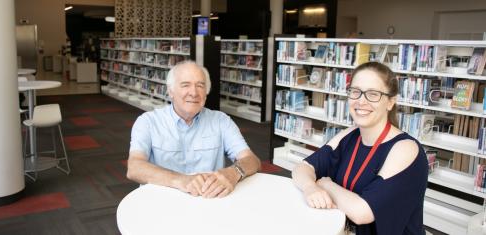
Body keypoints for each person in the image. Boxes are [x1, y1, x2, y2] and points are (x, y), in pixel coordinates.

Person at [292, 62, 428, 234]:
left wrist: (326, 184)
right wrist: (310, 187)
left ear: (390, 102)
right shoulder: (349, 135)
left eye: (373, 94)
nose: (361, 101)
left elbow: (363, 212)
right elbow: (302, 168)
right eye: (355, 91)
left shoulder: (405, 148)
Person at [127, 61, 260, 198]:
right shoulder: (148, 122)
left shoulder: (221, 121)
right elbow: (134, 167)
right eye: (185, 85)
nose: (194, 93)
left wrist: (233, 172)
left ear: (206, 93)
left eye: (200, 86)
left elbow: (252, 160)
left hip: (208, 200)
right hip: (162, 201)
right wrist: (182, 180)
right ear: (170, 91)